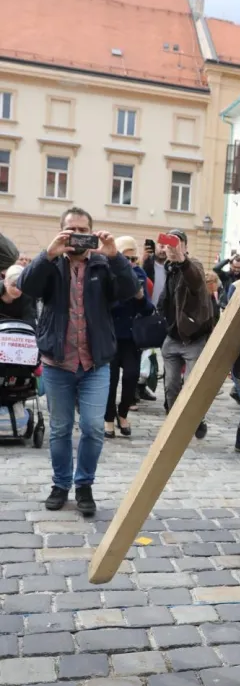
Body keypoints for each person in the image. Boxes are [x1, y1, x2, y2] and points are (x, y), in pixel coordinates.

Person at [18, 208, 137, 516]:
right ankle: (60, 484)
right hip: (58, 363)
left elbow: (130, 291)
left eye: (83, 229)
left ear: (92, 233)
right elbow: (26, 287)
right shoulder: (52, 263)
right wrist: (48, 254)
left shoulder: (103, 263)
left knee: (93, 427)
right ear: (62, 231)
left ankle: (84, 484)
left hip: (95, 364)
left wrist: (115, 256)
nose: (77, 235)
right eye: (71, 229)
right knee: (60, 429)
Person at [158, 229, 214, 439]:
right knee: (171, 386)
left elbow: (196, 281)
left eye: (176, 243)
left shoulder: (193, 264)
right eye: (168, 244)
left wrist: (182, 260)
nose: (171, 248)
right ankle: (175, 425)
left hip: (193, 338)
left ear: (185, 246)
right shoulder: (168, 268)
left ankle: (197, 419)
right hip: (173, 338)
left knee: (192, 386)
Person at [104, 236, 154, 439]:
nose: (131, 263)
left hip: (132, 337)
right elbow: (103, 305)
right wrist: (124, 295)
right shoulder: (107, 273)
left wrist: (140, 297)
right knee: (110, 379)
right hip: (110, 335)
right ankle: (108, 418)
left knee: (132, 376)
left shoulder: (139, 274)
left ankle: (123, 413)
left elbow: (148, 309)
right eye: (127, 258)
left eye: (134, 259)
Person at [142, 238, 168, 307]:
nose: (163, 250)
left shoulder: (171, 268)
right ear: (155, 247)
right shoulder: (147, 265)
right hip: (147, 308)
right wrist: (143, 262)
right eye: (161, 246)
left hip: (162, 310)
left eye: (166, 247)